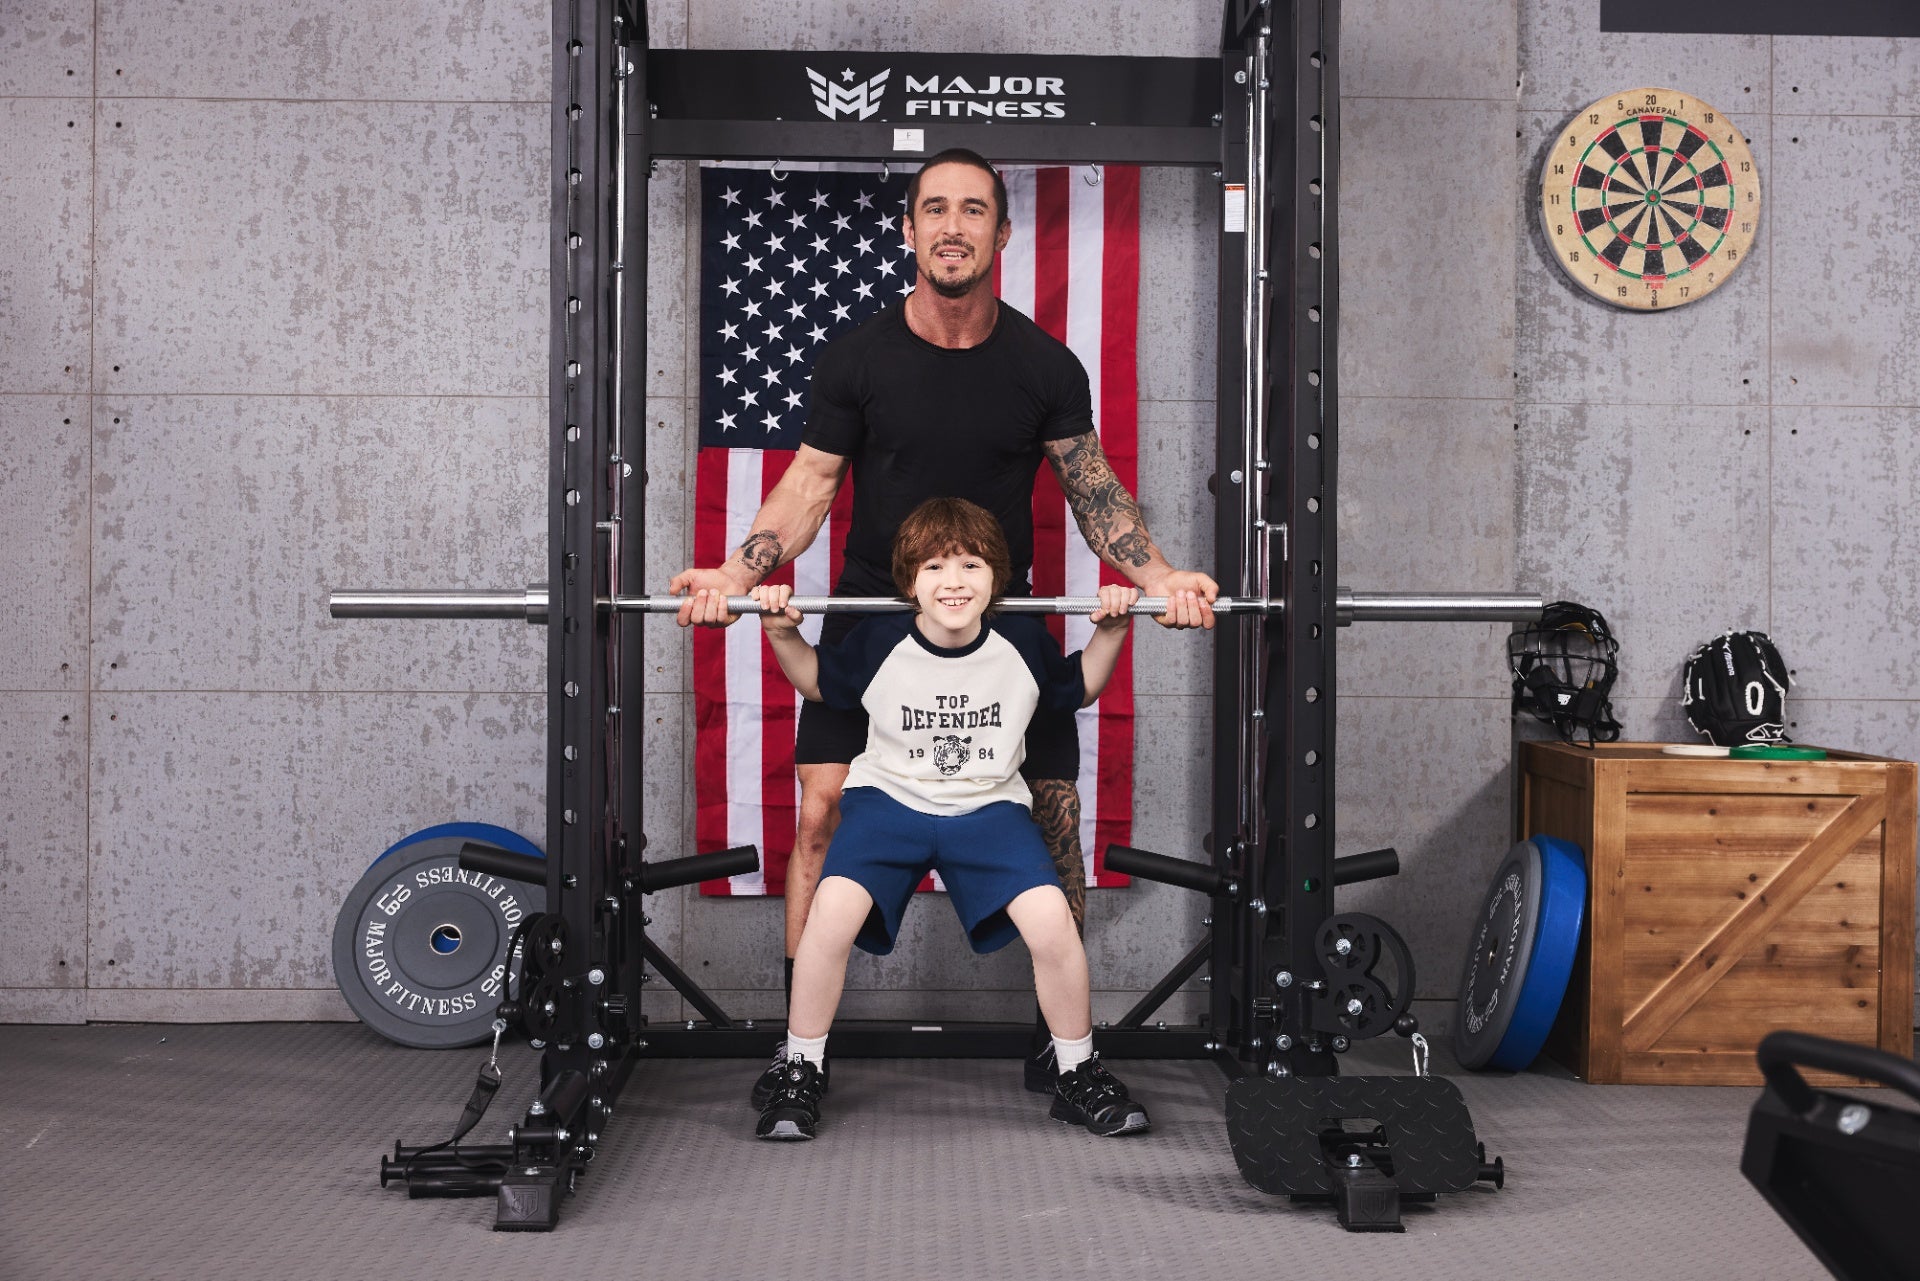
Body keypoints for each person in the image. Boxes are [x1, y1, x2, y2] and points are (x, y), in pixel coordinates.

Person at [671, 148, 1219, 1102]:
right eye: (935, 209)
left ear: (1002, 234)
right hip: (871, 617)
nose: (953, 226)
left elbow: (1091, 490)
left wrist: (1162, 575)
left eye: (974, 210)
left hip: (997, 625)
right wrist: (736, 568)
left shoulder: (1044, 363)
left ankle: (1065, 1050)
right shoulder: (860, 354)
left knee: (1052, 825)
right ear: (910, 231)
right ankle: (803, 1056)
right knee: (820, 820)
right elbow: (809, 484)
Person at [735, 498, 1150, 1141]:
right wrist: (783, 631)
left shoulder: (1020, 642)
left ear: (996, 578)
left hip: (988, 809)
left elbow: (1077, 688)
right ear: (909, 582)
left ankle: (1076, 1071)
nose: (953, 581)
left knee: (1051, 923)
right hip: (889, 804)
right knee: (832, 913)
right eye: (934, 567)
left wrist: (1113, 631)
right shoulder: (877, 640)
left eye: (970, 565)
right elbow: (820, 685)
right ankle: (801, 1068)